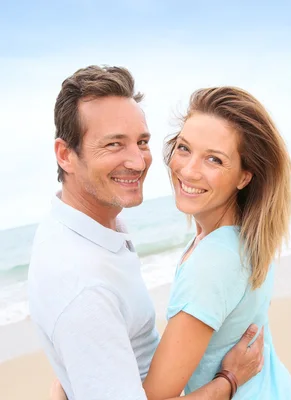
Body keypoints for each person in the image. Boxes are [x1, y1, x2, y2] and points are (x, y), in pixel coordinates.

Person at [28, 65, 264, 400]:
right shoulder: (85, 288)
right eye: (114, 144)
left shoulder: (87, 227)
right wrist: (229, 381)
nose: (138, 162)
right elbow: (82, 307)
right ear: (66, 155)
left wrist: (72, 375)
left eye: (142, 142)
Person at [138, 86, 291, 399]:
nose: (188, 170)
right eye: (184, 148)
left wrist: (229, 381)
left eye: (214, 159)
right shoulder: (242, 238)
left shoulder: (214, 261)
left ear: (244, 177)